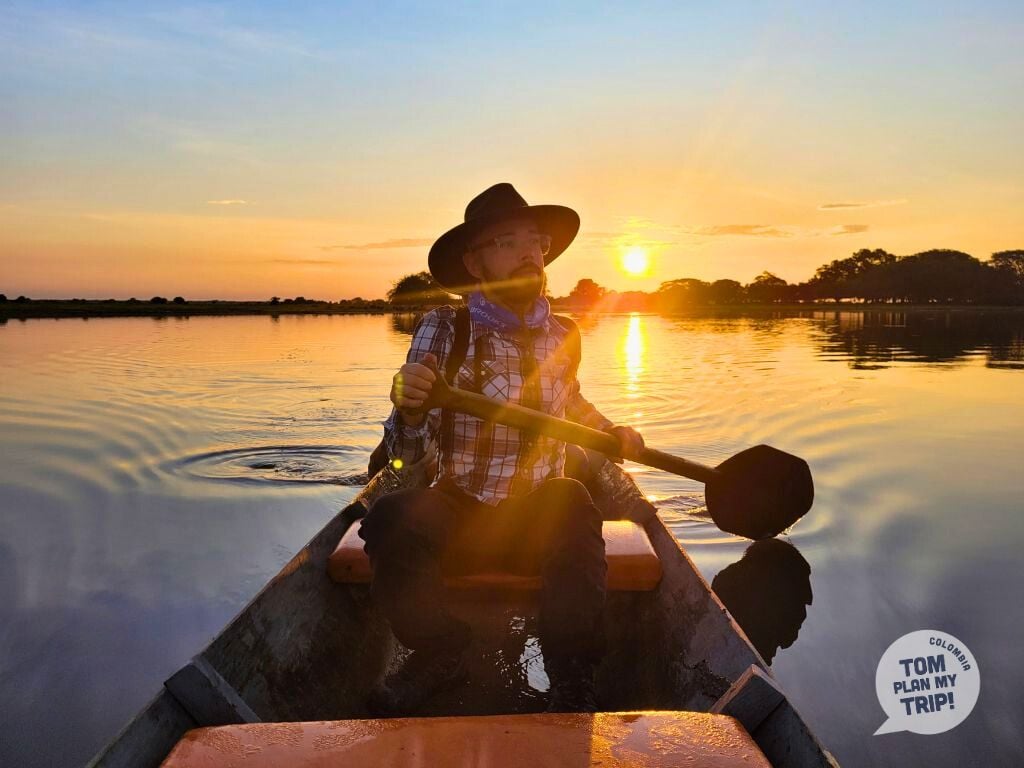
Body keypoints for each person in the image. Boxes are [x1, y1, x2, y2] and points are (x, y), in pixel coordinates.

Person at [359, 183, 643, 715]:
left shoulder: (565, 334)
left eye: (535, 241)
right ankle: (440, 649)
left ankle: (572, 674)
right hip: (461, 511)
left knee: (573, 499)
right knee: (390, 517)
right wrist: (412, 411)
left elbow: (571, 401)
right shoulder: (445, 328)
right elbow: (409, 456)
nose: (529, 252)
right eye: (508, 241)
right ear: (475, 261)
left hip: (538, 518)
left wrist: (613, 433)